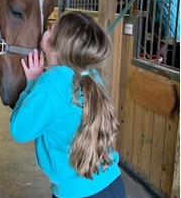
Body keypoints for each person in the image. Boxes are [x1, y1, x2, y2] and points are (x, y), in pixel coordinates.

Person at [10, 11, 126, 198]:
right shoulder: (92, 76)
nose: (45, 29)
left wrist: (32, 82)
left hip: (78, 193)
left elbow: (19, 130)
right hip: (111, 183)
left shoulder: (50, 84)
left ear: (55, 50)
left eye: (50, 29)